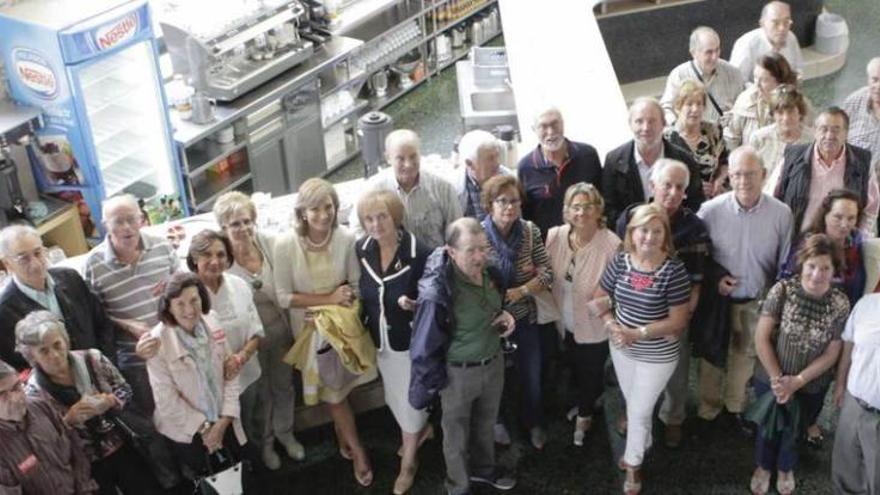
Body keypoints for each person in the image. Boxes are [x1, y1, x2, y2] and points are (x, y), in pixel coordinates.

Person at [274, 178, 377, 487]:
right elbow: (283, 296)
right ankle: (358, 450)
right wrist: (327, 300)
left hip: (342, 328)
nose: (323, 215)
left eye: (328, 207)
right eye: (314, 208)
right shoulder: (284, 245)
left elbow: (356, 286)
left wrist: (337, 307)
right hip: (307, 331)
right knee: (334, 393)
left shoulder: (345, 238)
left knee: (338, 392)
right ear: (302, 212)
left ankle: (344, 437)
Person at [410, 217, 517, 494]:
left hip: (493, 364)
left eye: (484, 248)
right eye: (471, 250)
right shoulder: (438, 292)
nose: (480, 257)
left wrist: (506, 316)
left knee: (485, 424)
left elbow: (497, 305)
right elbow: (422, 349)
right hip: (457, 375)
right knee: (455, 436)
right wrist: (437, 385)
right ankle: (458, 486)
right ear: (451, 251)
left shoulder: (492, 272)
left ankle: (484, 471)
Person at [593, 203, 692, 494]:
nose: (649, 237)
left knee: (637, 409)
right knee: (635, 402)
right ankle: (644, 440)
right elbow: (599, 297)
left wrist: (638, 333)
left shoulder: (674, 270)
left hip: (657, 355)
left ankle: (634, 465)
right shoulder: (621, 261)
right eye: (643, 230)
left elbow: (678, 321)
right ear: (632, 233)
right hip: (622, 348)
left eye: (656, 231)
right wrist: (612, 325)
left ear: (665, 236)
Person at [696, 146, 793, 433]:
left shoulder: (781, 214)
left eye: (750, 174)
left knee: (745, 355)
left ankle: (734, 408)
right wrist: (715, 279)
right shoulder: (710, 211)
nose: (743, 181)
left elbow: (786, 260)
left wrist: (776, 305)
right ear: (729, 176)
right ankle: (707, 411)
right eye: (737, 174)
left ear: (763, 175)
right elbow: (698, 255)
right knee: (712, 356)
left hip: (756, 300)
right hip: (718, 300)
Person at [615, 159, 710, 449]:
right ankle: (635, 412)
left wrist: (681, 321)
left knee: (675, 371)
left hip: (672, 315)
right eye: (666, 185)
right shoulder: (632, 216)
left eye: (679, 187)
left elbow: (696, 281)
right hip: (632, 310)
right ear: (652, 186)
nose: (671, 192)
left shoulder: (694, 228)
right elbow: (620, 262)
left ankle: (673, 418)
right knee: (629, 366)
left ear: (685, 193)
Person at [16, 311, 162, 494]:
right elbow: (44, 441)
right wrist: (68, 420)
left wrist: (111, 401)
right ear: (32, 356)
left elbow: (125, 389)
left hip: (122, 446)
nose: (54, 354)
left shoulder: (92, 358)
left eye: (57, 344)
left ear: (65, 340)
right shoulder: (33, 393)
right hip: (84, 465)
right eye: (43, 351)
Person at [749, 235, 849, 495]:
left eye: (825, 268)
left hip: (811, 383)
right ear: (802, 264)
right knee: (768, 427)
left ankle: (785, 468)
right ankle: (763, 466)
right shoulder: (782, 290)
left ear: (834, 270)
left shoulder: (840, 303)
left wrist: (798, 382)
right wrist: (778, 380)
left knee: (795, 430)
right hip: (771, 377)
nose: (817, 275)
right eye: (812, 266)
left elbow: (833, 352)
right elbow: (761, 338)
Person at [212, 191, 303, 469]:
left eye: (246, 221)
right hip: (246, 342)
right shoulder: (222, 260)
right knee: (261, 394)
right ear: (224, 229)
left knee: (284, 387)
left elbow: (288, 289)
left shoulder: (271, 244)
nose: (243, 229)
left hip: (280, 332)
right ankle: (265, 444)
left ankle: (286, 434)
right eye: (234, 224)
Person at [354, 190, 432, 494]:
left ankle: (409, 462)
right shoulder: (362, 249)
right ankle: (421, 431)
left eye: (382, 216)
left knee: (411, 400)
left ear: (395, 216)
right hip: (380, 340)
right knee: (396, 398)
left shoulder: (419, 251)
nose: (376, 224)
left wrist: (415, 305)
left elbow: (435, 297)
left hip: (410, 340)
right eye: (369, 219)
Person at [146, 272, 250, 488]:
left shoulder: (212, 319)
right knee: (208, 482)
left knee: (239, 476)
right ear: (168, 307)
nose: (190, 310)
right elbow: (166, 402)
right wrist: (205, 429)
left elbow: (230, 372)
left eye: (194, 300)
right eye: (180, 303)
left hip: (224, 418)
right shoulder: (156, 342)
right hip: (189, 430)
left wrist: (223, 421)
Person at [84, 194, 180, 414]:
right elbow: (95, 317)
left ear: (141, 219)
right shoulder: (94, 265)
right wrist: (126, 325)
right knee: (154, 418)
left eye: (132, 219)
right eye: (118, 221)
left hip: (174, 349)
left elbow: (185, 289)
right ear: (106, 225)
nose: (127, 227)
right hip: (135, 362)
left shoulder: (162, 247)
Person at [480, 175, 553, 450]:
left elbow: (547, 274)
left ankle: (533, 422)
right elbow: (470, 277)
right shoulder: (477, 234)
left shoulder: (530, 231)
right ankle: (497, 421)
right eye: (502, 201)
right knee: (492, 379)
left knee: (530, 375)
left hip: (523, 315)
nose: (509, 207)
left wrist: (521, 290)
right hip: (489, 320)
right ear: (490, 204)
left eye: (514, 201)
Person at [545, 182, 621, 446]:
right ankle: (586, 402)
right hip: (562, 322)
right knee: (574, 367)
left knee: (590, 371)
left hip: (594, 326)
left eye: (588, 206)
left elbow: (619, 293)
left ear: (598, 209)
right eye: (575, 207)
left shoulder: (612, 245)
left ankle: (585, 418)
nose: (582, 212)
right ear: (566, 211)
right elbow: (546, 277)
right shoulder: (554, 236)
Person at [185, 230, 266, 464]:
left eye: (221, 254)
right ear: (194, 258)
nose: (215, 261)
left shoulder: (239, 285)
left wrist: (240, 358)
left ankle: (256, 468)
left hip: (247, 374)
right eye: (207, 255)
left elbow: (257, 331)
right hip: (211, 387)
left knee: (251, 426)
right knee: (224, 440)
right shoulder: (187, 294)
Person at [0, 225, 115, 371]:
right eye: (23, 259)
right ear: (7, 263)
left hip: (100, 372)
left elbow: (102, 324)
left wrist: (106, 366)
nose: (35, 264)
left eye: (38, 253)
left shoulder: (70, 278)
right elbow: (16, 366)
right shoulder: (4, 310)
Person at [775, 107, 880, 236]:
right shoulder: (792, 158)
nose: (829, 136)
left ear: (846, 134)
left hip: (842, 244)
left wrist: (859, 240)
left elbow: (870, 210)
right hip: (798, 241)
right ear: (815, 131)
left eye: (836, 130)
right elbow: (772, 198)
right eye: (824, 129)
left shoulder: (862, 163)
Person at [602, 97, 705, 227]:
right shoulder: (614, 161)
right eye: (639, 121)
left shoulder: (684, 160)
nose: (646, 128)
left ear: (663, 123)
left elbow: (696, 204)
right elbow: (609, 209)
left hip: (676, 237)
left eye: (652, 121)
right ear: (630, 124)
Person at [0, 358, 98, 494]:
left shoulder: (42, 406)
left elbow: (76, 448)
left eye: (17, 386)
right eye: (2, 395)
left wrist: (85, 489)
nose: (15, 398)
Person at [352, 129, 462, 249]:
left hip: (435, 261)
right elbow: (356, 228)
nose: (408, 164)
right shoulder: (372, 189)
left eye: (413, 157)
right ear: (388, 158)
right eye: (400, 159)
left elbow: (457, 230)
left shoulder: (443, 187)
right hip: (394, 263)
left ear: (420, 154)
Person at [517, 106, 603, 237]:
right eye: (543, 126)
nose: (550, 132)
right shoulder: (525, 167)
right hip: (548, 249)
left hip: (590, 240)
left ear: (563, 125)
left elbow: (602, 199)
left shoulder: (588, 155)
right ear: (534, 129)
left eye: (555, 124)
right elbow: (527, 217)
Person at [779, 189, 867, 307]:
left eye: (851, 218)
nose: (845, 224)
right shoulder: (807, 244)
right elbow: (786, 285)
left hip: (846, 315)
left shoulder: (857, 244)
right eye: (838, 217)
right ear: (825, 215)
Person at [831, 292, 880, 494]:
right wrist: (840, 383)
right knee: (845, 466)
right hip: (854, 400)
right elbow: (849, 343)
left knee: (875, 478)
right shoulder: (867, 303)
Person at [659, 26, 745, 125]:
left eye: (717, 50)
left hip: (726, 135)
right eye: (709, 52)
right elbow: (666, 108)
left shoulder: (733, 73)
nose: (715, 57)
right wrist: (676, 127)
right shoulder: (679, 75)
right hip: (692, 135)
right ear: (694, 53)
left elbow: (745, 106)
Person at [664, 80, 729, 198]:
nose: (695, 109)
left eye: (699, 104)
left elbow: (725, 162)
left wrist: (719, 181)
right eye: (689, 104)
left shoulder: (713, 130)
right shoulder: (667, 139)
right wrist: (694, 187)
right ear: (678, 107)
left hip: (713, 197)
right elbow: (663, 178)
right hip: (682, 201)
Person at [725, 53, 798, 150]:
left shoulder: (796, 104)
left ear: (779, 81)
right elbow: (732, 136)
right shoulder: (745, 100)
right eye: (755, 78)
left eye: (764, 80)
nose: (756, 85)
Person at [749, 84, 813, 193]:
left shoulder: (812, 141)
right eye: (780, 113)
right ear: (773, 114)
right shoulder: (760, 138)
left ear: (800, 113)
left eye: (791, 111)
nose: (786, 118)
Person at [730, 1, 803, 81]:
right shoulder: (746, 44)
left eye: (786, 22)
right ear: (762, 24)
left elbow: (798, 69)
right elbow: (737, 81)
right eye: (775, 23)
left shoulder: (791, 38)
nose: (782, 28)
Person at [454, 129, 510, 219]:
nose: (497, 163)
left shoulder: (508, 178)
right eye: (490, 158)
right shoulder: (453, 188)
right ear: (469, 163)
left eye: (497, 156)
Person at [842, 57, 880, 182]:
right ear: (868, 80)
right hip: (851, 173)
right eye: (875, 80)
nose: (878, 86)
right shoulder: (855, 100)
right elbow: (839, 133)